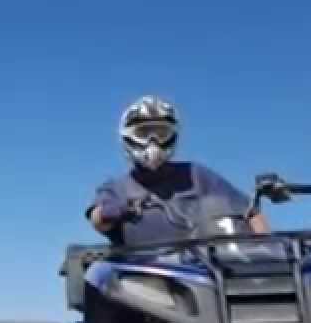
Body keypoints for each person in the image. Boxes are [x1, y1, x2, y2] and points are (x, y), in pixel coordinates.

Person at [86, 95, 269, 246]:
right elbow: (97, 221)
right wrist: (107, 212)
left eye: (161, 133)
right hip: (144, 277)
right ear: (128, 136)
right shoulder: (117, 187)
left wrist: (267, 249)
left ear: (173, 135)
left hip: (206, 271)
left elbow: (250, 212)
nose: (153, 141)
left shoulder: (197, 175)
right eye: (144, 133)